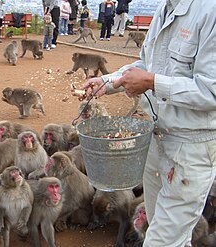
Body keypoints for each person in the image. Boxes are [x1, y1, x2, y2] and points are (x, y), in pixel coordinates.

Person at [79, 0, 216, 245]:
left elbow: (211, 91)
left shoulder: (209, 11)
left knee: (162, 241)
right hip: (155, 139)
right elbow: (145, 64)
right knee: (162, 229)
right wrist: (108, 81)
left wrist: (153, 83)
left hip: (190, 149)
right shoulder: (165, 8)